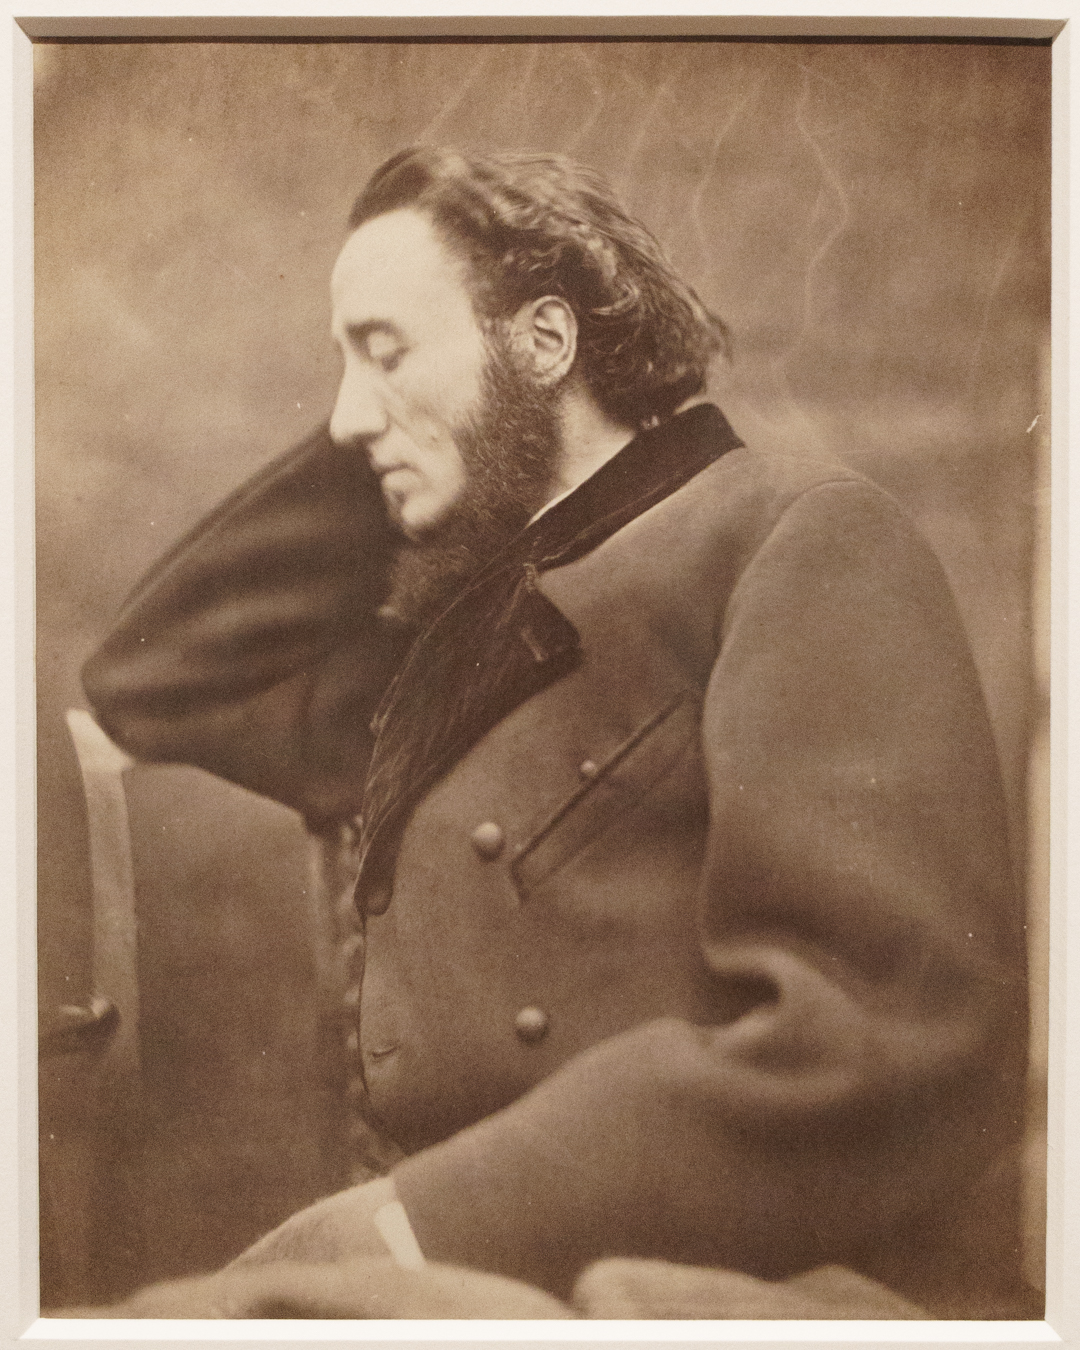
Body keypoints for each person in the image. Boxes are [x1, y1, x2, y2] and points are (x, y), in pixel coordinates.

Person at [80, 147, 1033, 1319]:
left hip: (705, 1284)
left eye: (384, 349)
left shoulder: (787, 537)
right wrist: (418, 428)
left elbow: (882, 1036)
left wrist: (415, 1226)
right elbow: (153, 677)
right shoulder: (449, 640)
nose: (343, 417)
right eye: (342, 363)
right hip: (472, 1283)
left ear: (544, 340)